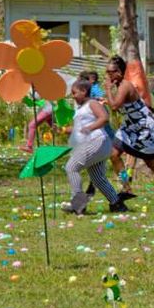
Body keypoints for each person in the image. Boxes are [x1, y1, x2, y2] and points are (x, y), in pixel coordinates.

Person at [104, 55, 154, 197]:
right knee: (114, 154)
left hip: (144, 129)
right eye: (108, 72)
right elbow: (118, 104)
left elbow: (115, 106)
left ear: (121, 72)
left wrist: (108, 90)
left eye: (113, 71)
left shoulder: (125, 86)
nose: (110, 75)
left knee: (153, 165)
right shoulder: (118, 86)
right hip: (130, 127)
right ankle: (126, 188)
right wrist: (106, 99)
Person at [62, 80, 125, 214]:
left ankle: (78, 205)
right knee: (97, 178)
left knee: (71, 167)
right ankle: (117, 203)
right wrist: (63, 129)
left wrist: (90, 128)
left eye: (74, 93)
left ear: (84, 91)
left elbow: (104, 117)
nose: (72, 96)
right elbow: (79, 128)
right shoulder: (81, 109)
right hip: (99, 145)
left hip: (97, 141)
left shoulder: (92, 103)